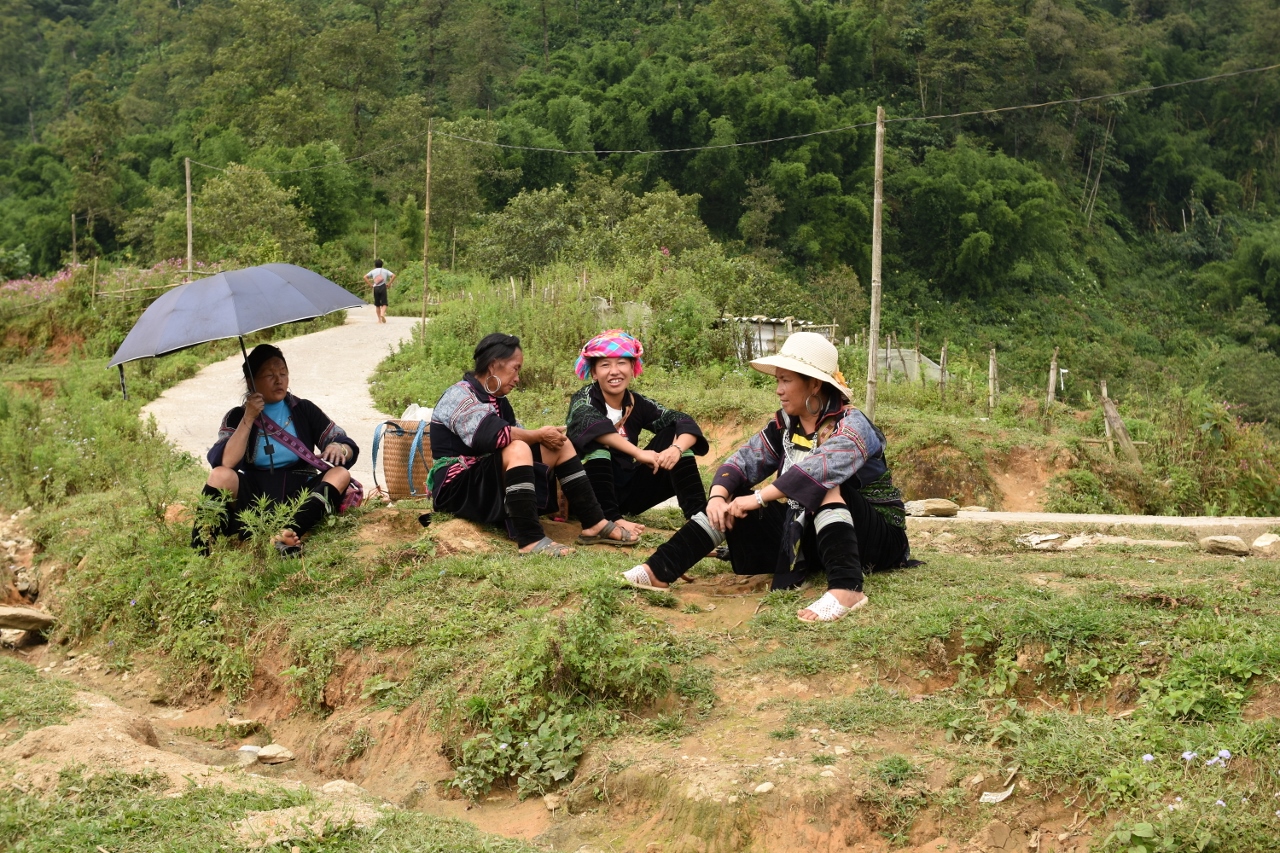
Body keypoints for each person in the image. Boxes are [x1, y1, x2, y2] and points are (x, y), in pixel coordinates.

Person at [621, 332, 909, 623]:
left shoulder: (853, 425)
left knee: (826, 486)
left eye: (786, 381)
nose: (779, 390)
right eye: (778, 380)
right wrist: (718, 496)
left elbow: (818, 471)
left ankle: (847, 589)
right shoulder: (785, 425)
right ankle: (659, 569)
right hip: (818, 536)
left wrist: (758, 499)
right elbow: (742, 461)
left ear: (814, 384)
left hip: (877, 538)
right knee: (731, 497)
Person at [428, 332, 632, 555]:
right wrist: (538, 435)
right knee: (518, 447)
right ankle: (530, 538)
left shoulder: (498, 400)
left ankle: (594, 523)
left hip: (484, 483)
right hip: (455, 489)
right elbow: (492, 435)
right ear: (494, 365)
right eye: (515, 369)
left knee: (560, 445)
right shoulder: (459, 395)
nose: (517, 378)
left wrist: (543, 437)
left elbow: (517, 436)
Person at [192, 344, 358, 556]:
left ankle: (288, 532)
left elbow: (341, 440)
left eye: (283, 373)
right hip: (254, 501)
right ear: (251, 382)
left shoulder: (303, 409)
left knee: (340, 474)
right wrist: (249, 417)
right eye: (270, 375)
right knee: (220, 475)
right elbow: (226, 462)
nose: (279, 380)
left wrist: (340, 448)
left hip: (301, 496)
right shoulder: (236, 416)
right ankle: (202, 549)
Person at [566, 330, 710, 543]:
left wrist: (676, 449)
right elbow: (594, 427)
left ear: (632, 367)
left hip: (628, 491)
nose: (614, 371)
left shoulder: (637, 403)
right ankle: (611, 519)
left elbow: (682, 420)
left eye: (621, 363)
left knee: (675, 435)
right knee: (595, 443)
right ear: (594, 373)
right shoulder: (583, 400)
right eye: (605, 365)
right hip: (589, 494)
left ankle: (700, 519)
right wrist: (639, 453)